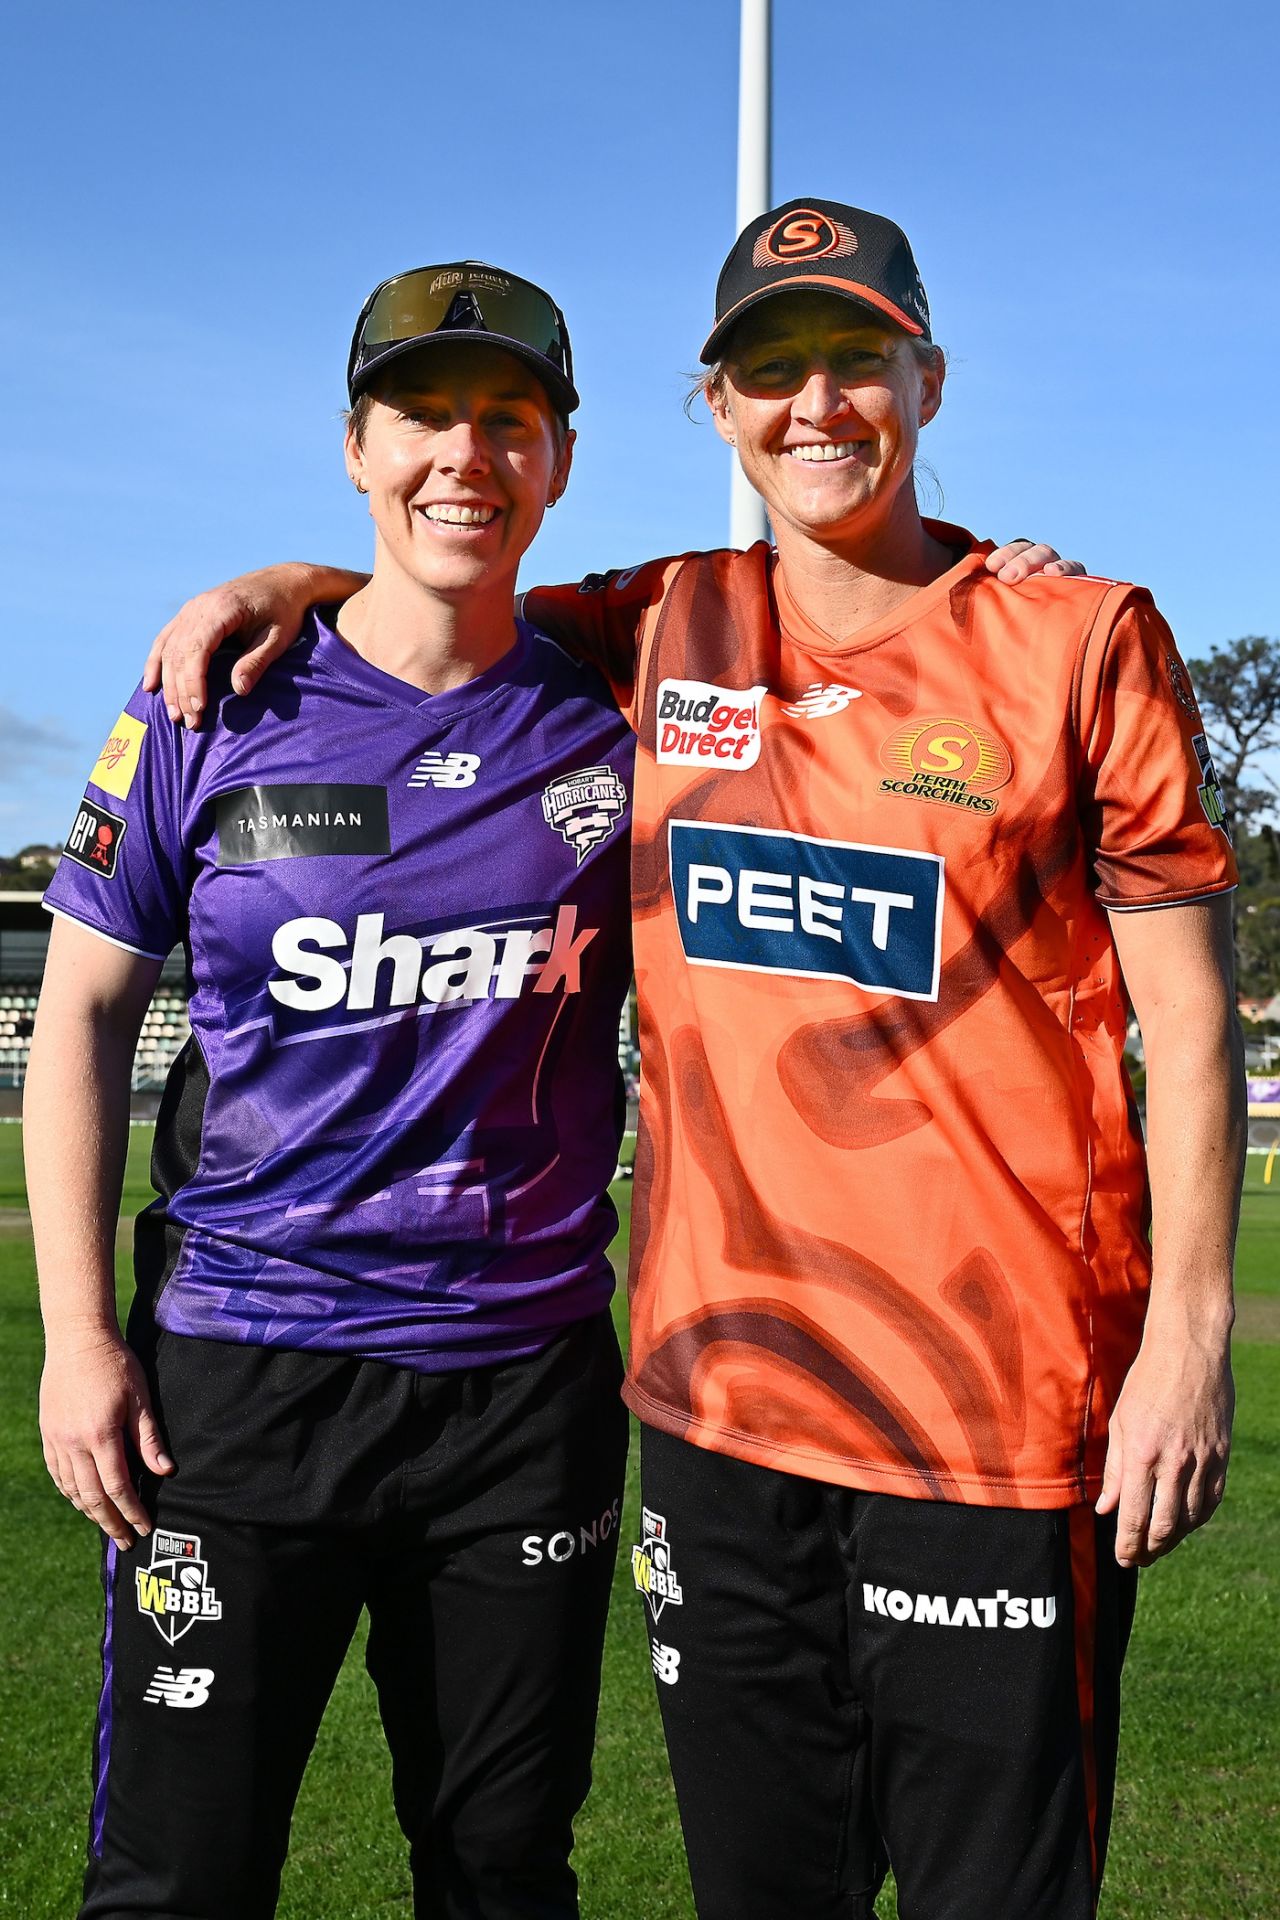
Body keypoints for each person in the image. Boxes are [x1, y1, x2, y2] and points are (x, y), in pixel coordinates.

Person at [140, 201, 1222, 1920]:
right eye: (770, 370)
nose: (815, 405)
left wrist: (1189, 1339)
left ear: (925, 377)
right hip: (716, 1419)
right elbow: (445, 594)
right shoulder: (655, 628)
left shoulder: (1079, 636)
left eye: (854, 359)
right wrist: (298, 581)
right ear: (712, 407)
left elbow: (1184, 1008)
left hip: (1001, 1419)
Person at [26, 262, 636, 1920]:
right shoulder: (203, 700)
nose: (467, 455)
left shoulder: (625, 708)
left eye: (510, 422)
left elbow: (852, 634)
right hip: (238, 1385)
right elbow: (81, 1015)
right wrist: (80, 1341)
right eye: (425, 416)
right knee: (178, 1877)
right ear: (356, 445)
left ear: (560, 461)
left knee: (503, 1873)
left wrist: (991, 571)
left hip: (522, 1392)